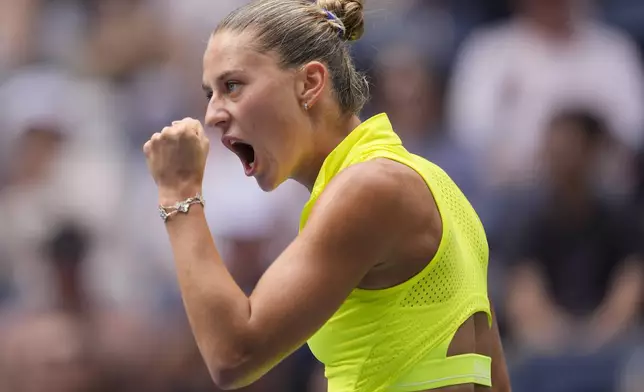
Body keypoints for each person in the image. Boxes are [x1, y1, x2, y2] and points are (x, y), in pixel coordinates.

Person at [142, 0, 511, 391]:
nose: (213, 114)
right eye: (209, 93)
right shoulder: (431, 183)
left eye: (232, 85)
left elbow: (234, 355)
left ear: (310, 83)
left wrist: (178, 191)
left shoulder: (370, 188)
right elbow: (494, 382)